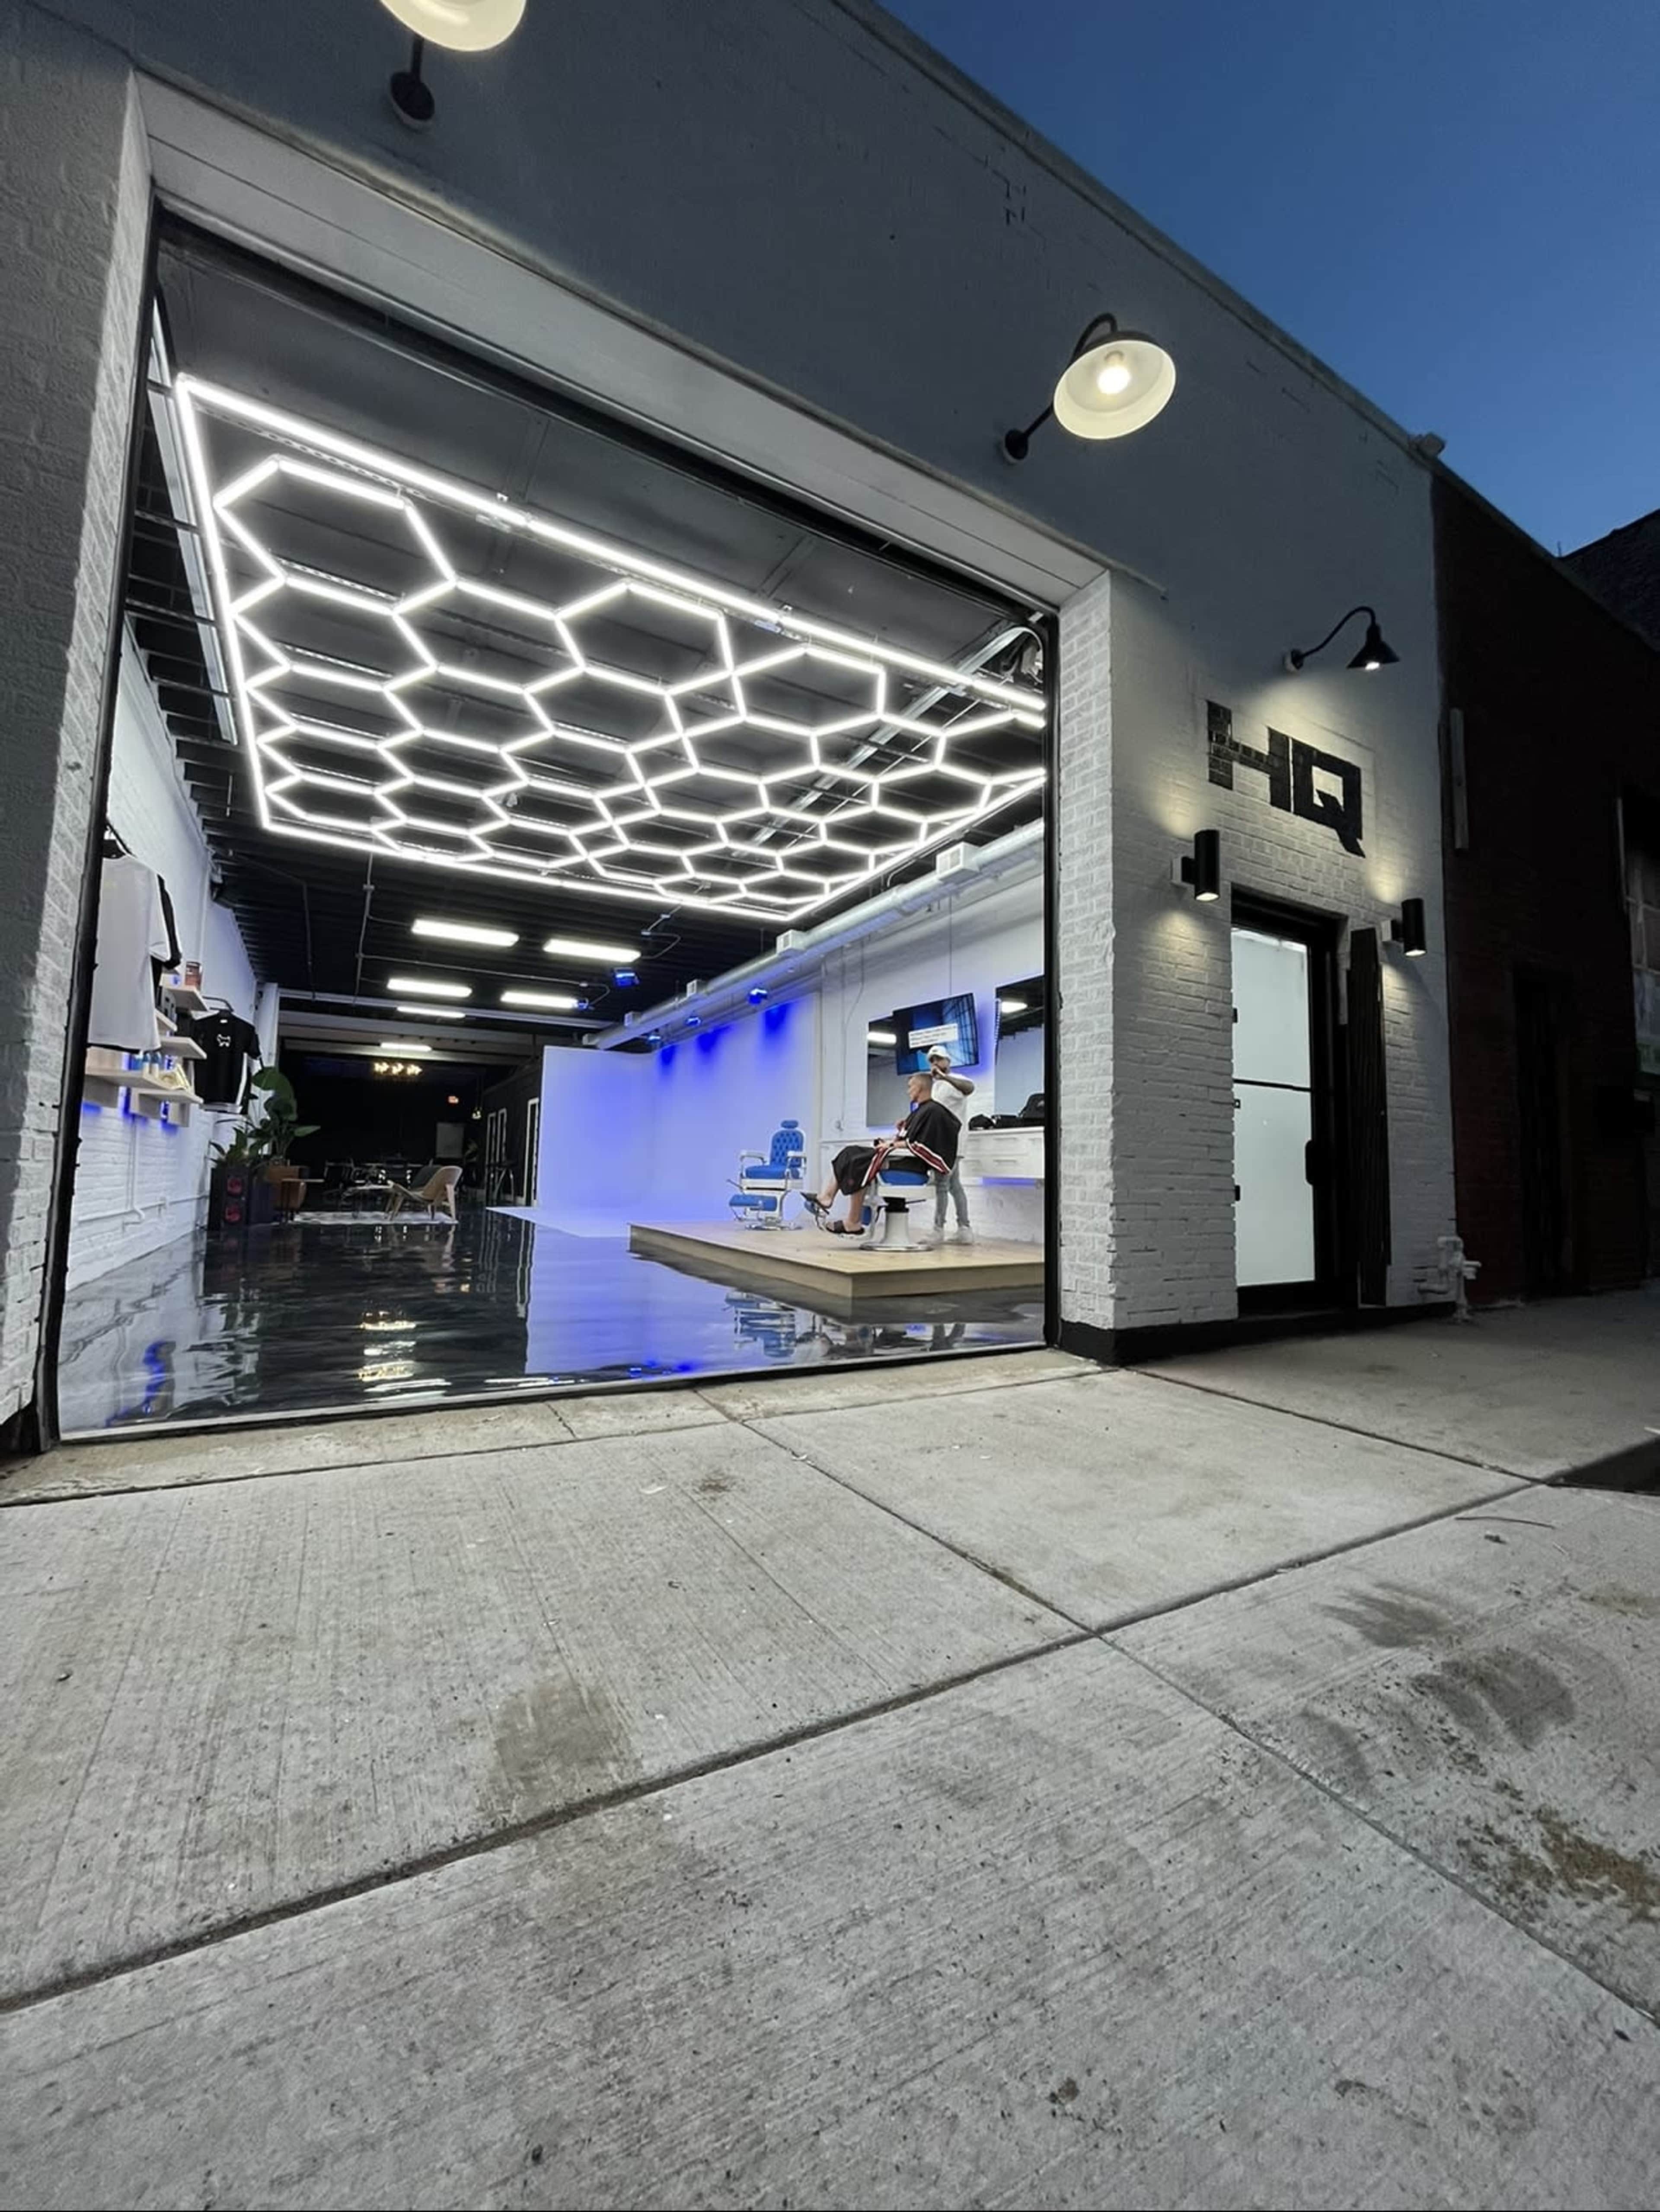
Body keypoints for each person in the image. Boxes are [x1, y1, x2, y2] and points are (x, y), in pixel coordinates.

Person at [805, 1072, 961, 1234]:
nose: (908, 1091)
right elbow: (912, 1138)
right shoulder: (921, 1111)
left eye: (910, 1087)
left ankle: (853, 1222)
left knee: (859, 1162)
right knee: (850, 1152)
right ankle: (827, 1197)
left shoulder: (934, 1111)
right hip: (902, 1160)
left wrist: (893, 1144)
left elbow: (925, 1145)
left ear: (920, 1087)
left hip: (912, 1167)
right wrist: (901, 1132)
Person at [924, 1043, 976, 1243]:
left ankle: (938, 1230)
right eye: (932, 1061)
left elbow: (970, 1088)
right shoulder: (936, 1087)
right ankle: (965, 1229)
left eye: (939, 1059)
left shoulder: (958, 1080)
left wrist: (944, 1077)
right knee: (954, 1186)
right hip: (941, 1143)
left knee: (942, 1185)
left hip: (954, 1143)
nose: (935, 1063)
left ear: (948, 1061)